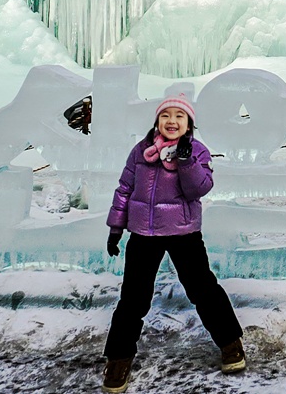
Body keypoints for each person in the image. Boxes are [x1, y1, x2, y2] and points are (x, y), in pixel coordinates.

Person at [101, 95, 244, 390]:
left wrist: (185, 159)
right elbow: (125, 189)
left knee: (203, 289)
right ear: (157, 121)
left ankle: (231, 343)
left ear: (189, 123)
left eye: (180, 116)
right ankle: (118, 360)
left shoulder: (198, 152)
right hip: (143, 234)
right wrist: (116, 227)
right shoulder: (141, 151)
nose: (172, 121)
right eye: (166, 115)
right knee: (133, 298)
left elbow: (198, 189)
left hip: (183, 233)